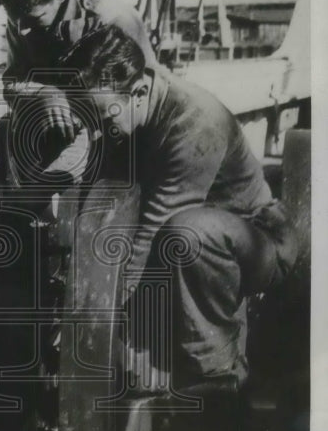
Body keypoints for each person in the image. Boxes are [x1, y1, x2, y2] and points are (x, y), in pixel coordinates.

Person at [67, 23, 298, 390]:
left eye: (103, 117)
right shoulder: (122, 111)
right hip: (192, 247)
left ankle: (218, 376)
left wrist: (102, 322)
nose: (95, 132)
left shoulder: (193, 122)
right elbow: (99, 203)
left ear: (138, 92)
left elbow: (154, 232)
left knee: (187, 233)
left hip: (257, 244)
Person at [0, 0, 156, 180]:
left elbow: (145, 96)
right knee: (5, 129)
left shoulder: (114, 18)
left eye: (32, 21)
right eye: (15, 19)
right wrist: (44, 94)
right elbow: (11, 83)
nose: (21, 30)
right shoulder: (23, 16)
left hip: (111, 127)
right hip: (59, 127)